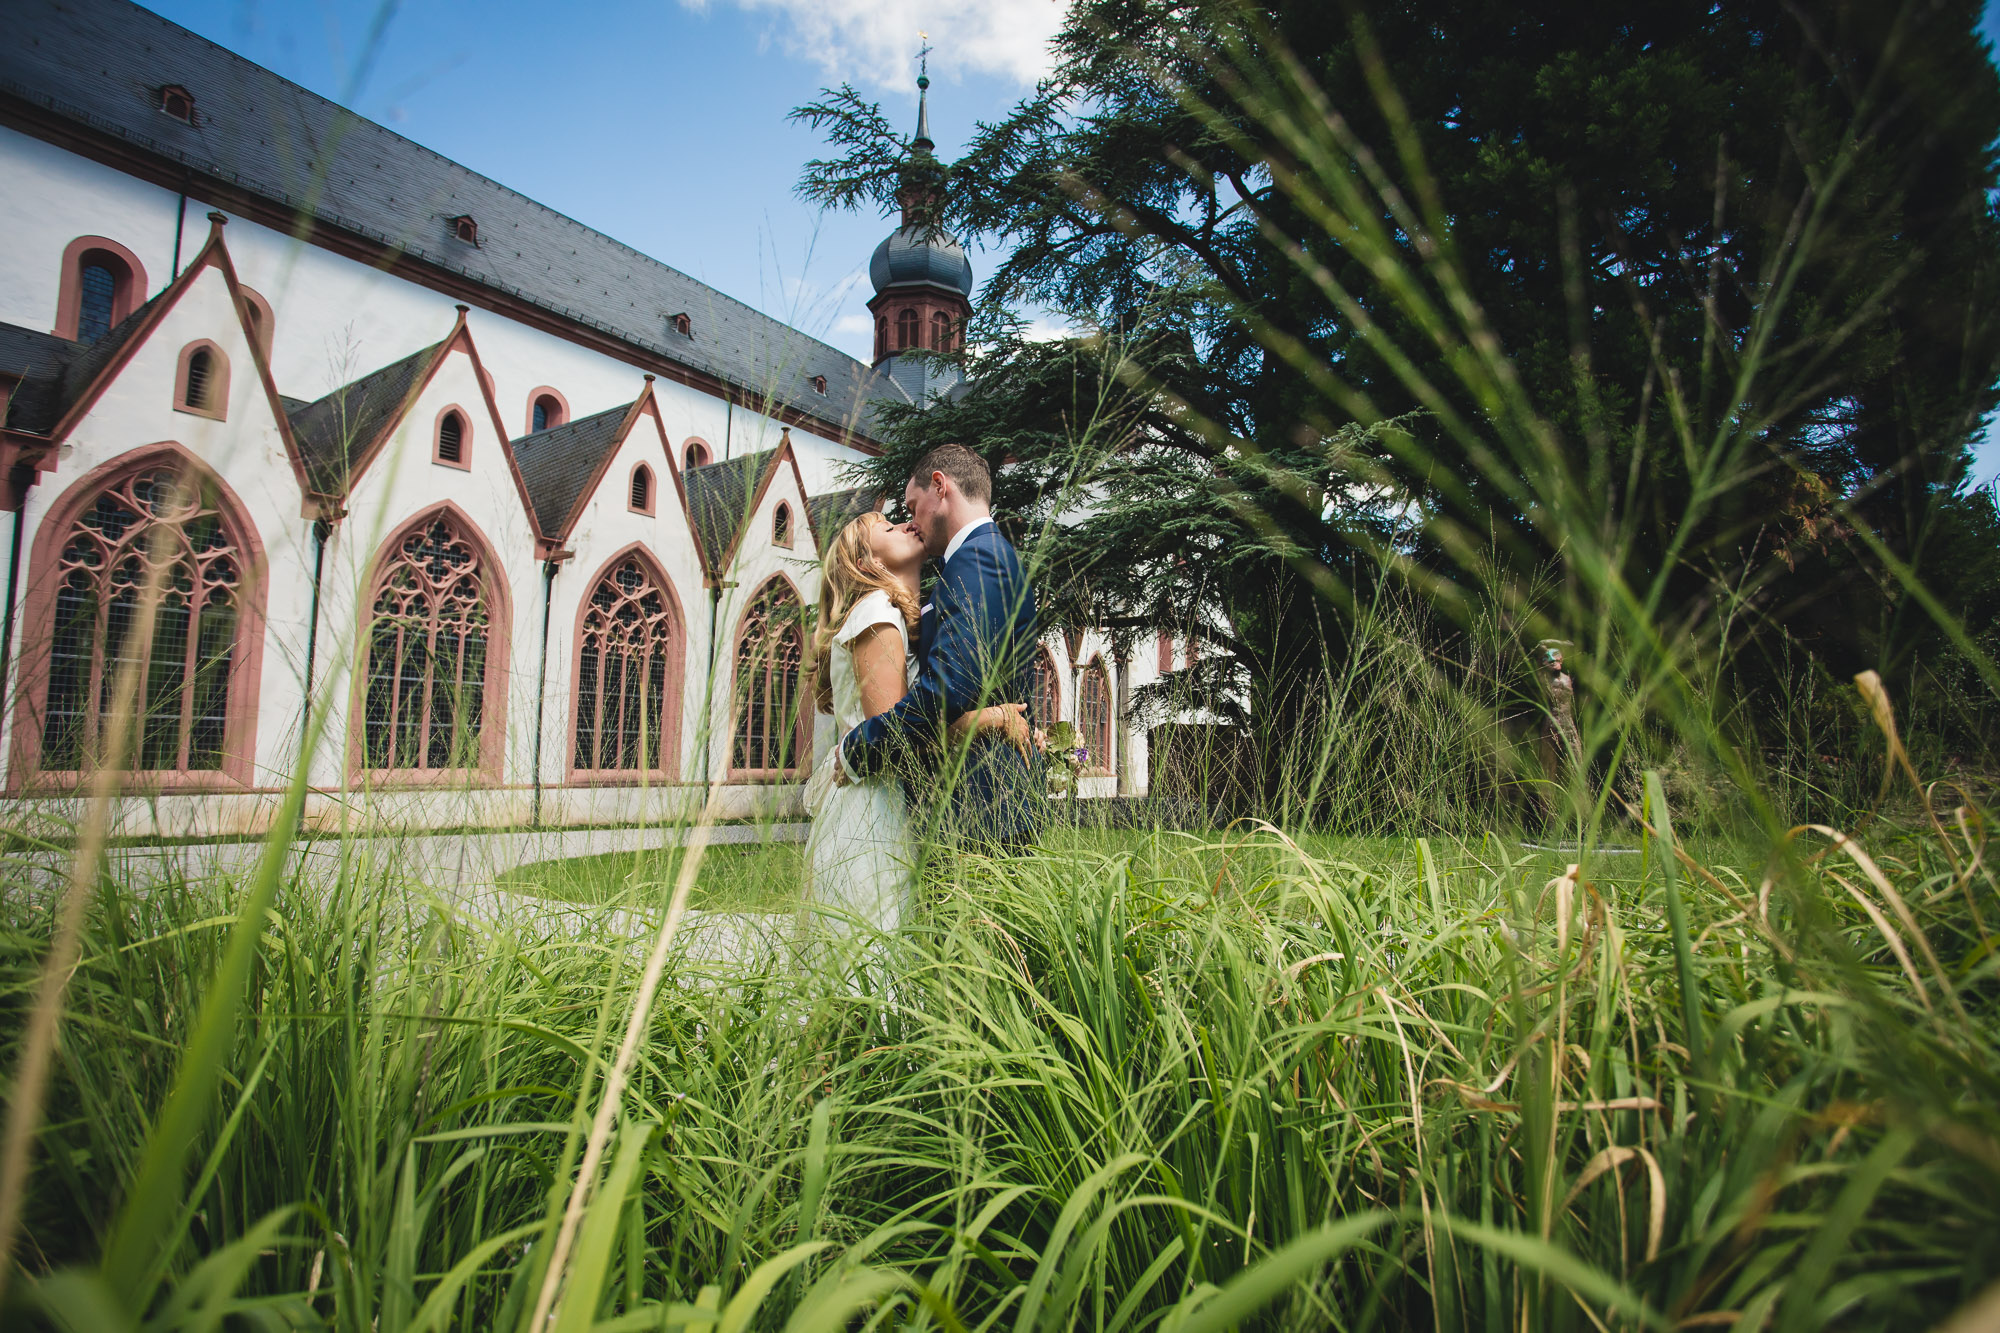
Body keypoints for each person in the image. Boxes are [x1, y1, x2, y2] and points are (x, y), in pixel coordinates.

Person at [800, 509, 1029, 940]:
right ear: (867, 564)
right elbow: (900, 738)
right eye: (888, 528)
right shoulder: (877, 614)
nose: (906, 524)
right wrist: (991, 719)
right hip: (873, 810)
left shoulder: (895, 617)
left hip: (883, 800)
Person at [835, 444, 1045, 854]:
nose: (911, 522)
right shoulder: (974, 560)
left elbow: (948, 688)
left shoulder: (978, 559)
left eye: (913, 506)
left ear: (939, 487)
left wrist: (859, 748)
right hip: (977, 806)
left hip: (981, 807)